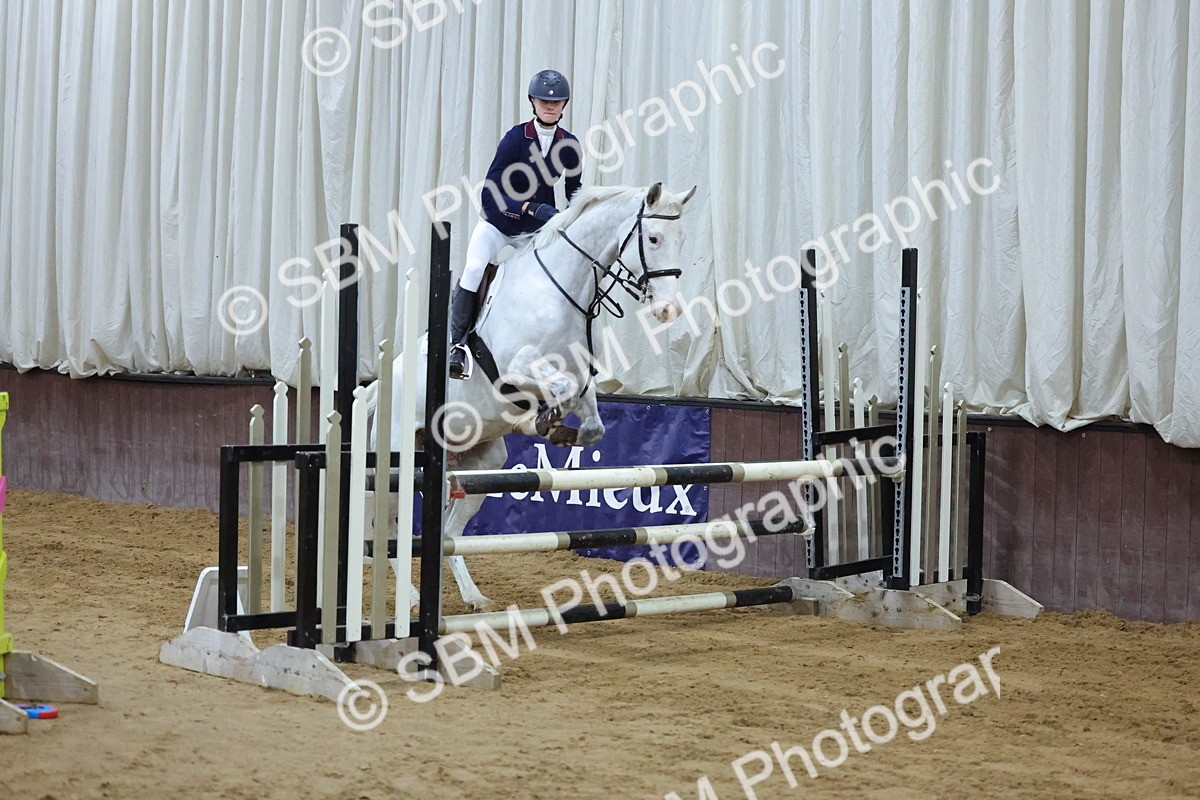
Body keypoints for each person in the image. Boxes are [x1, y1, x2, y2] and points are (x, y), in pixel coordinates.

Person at [448, 69, 584, 379]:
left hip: (533, 232)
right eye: (543, 101)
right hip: (498, 224)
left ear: (564, 105)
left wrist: (574, 219)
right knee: (474, 268)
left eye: (556, 102)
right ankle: (458, 345)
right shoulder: (515, 139)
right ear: (532, 102)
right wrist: (530, 208)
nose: (550, 106)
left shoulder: (570, 145)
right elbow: (489, 194)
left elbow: (575, 192)